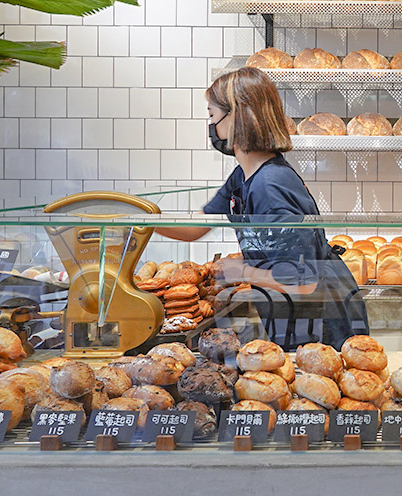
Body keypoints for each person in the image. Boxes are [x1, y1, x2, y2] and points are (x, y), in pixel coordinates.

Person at [157, 67, 368, 348]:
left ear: (237, 117)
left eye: (212, 115)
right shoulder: (245, 176)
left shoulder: (271, 185)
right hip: (296, 318)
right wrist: (140, 222)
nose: (211, 126)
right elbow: (197, 226)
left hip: (325, 326)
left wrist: (242, 272)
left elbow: (302, 281)